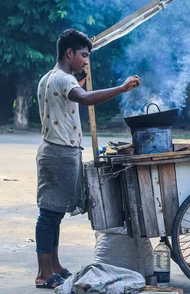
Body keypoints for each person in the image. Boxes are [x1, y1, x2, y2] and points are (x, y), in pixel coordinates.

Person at [34, 29, 141, 289]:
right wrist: (122, 88)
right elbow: (83, 99)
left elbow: (71, 95)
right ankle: (43, 273)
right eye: (83, 55)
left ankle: (54, 266)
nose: (85, 61)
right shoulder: (63, 79)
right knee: (49, 215)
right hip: (60, 153)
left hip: (55, 150)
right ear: (69, 53)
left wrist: (79, 81)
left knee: (54, 213)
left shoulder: (50, 78)